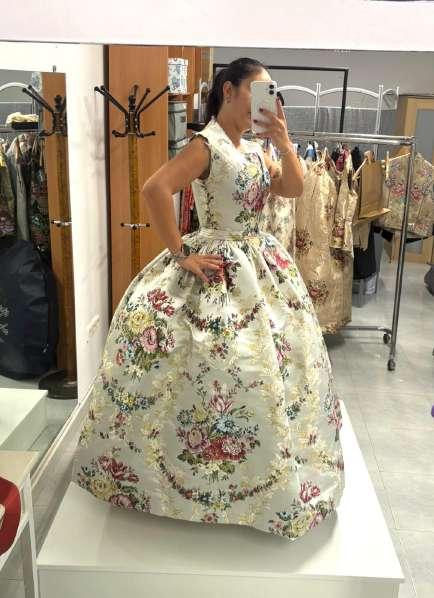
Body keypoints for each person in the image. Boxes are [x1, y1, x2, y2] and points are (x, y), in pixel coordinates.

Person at [73, 57, 344, 542]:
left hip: (262, 264)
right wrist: (181, 253)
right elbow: (156, 188)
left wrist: (284, 141)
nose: (265, 100)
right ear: (229, 90)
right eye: (258, 90)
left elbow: (293, 188)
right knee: (203, 366)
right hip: (218, 261)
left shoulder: (258, 148)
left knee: (267, 365)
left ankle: (257, 477)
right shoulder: (207, 144)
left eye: (271, 92)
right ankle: (180, 479)